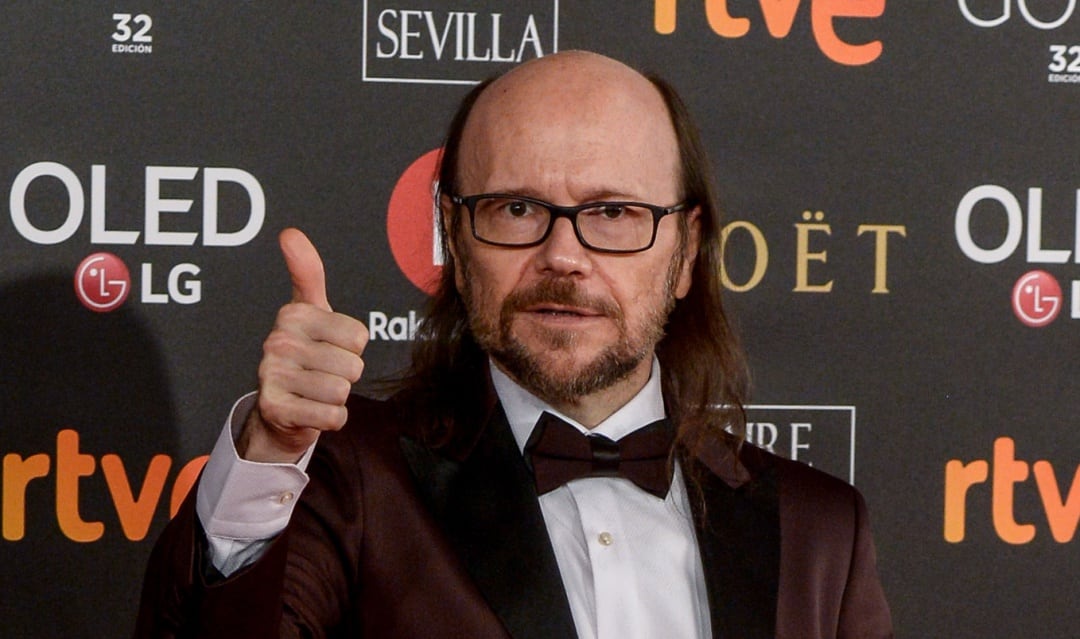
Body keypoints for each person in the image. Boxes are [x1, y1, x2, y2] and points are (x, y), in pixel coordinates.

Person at [135, 50, 892, 638]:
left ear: (687, 251)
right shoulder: (348, 479)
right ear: (457, 242)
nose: (564, 254)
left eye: (615, 212)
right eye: (517, 207)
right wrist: (270, 454)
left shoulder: (820, 530)